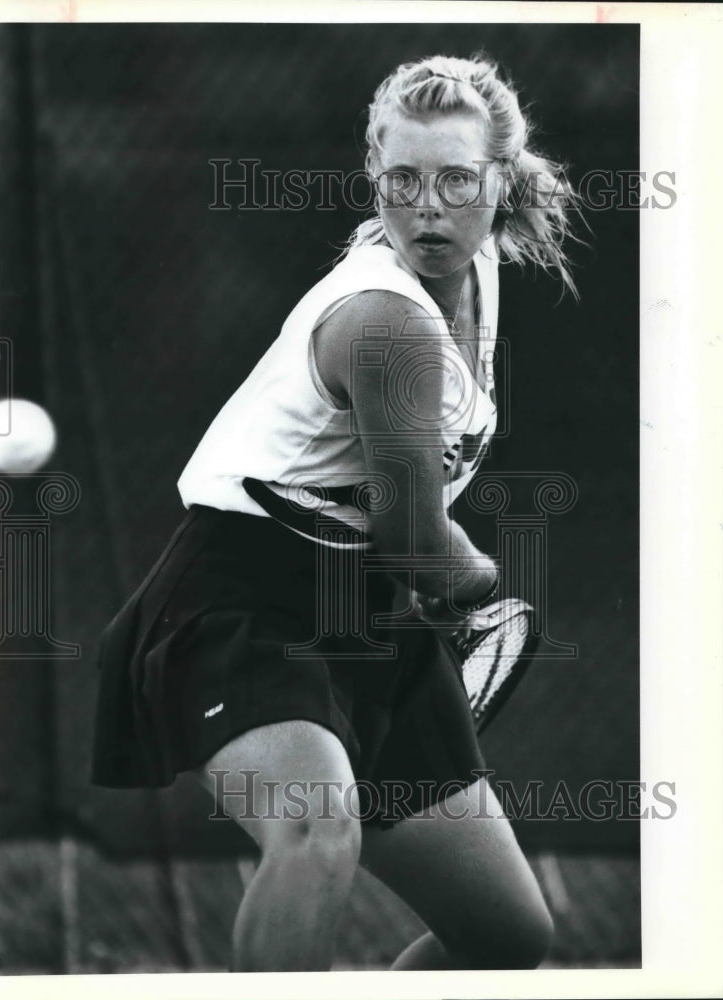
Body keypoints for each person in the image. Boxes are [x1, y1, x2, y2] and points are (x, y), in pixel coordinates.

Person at [91, 53, 581, 972]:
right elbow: (419, 543)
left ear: (500, 182)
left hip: (373, 612)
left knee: (510, 934)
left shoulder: (474, 273)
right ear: (373, 174)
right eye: (402, 181)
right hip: (244, 599)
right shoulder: (385, 321)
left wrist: (444, 576)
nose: (428, 206)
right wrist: (477, 583)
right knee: (317, 830)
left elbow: (406, 535)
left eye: (456, 181)